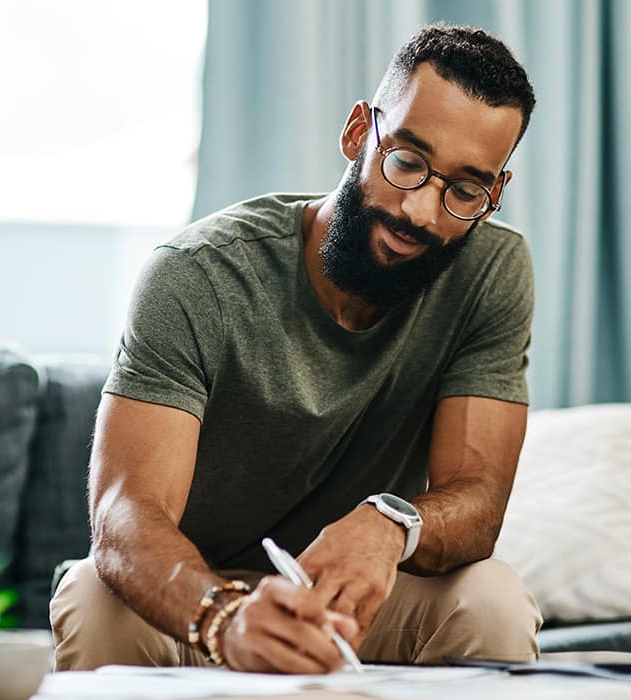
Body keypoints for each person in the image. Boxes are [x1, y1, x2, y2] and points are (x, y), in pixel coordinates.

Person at [51, 23, 541, 674]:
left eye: (464, 190)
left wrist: (389, 523)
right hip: (197, 596)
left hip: (350, 605)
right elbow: (124, 515)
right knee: (93, 595)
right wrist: (223, 618)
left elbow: (477, 502)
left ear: (495, 193)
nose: (422, 212)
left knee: (492, 599)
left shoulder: (490, 271)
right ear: (358, 133)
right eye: (407, 162)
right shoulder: (197, 275)